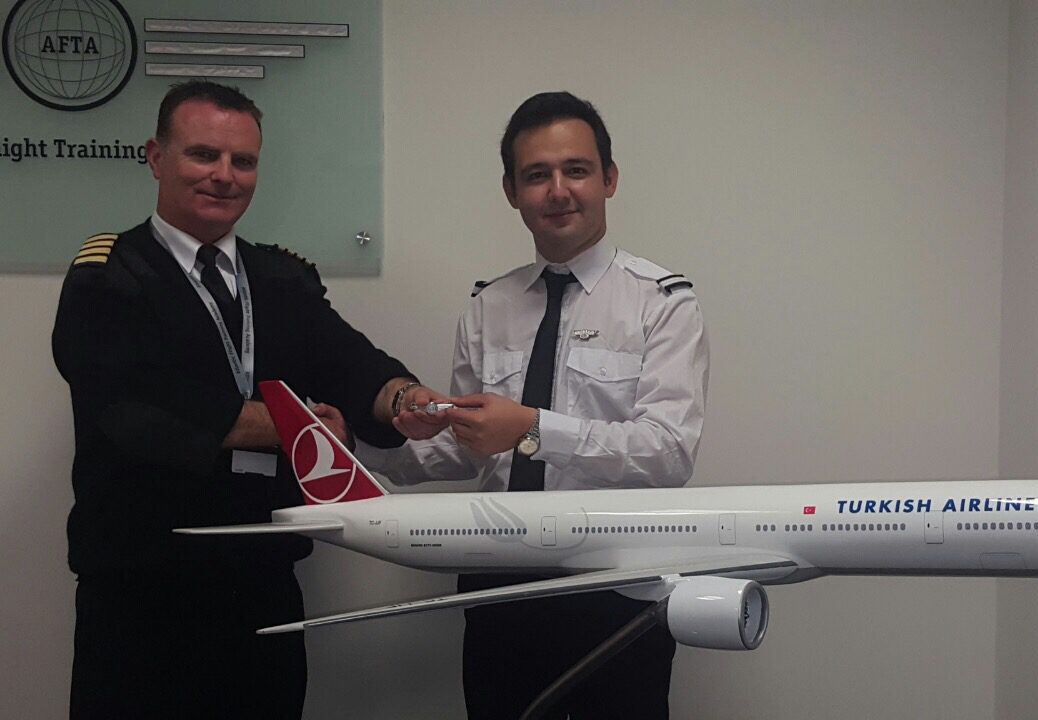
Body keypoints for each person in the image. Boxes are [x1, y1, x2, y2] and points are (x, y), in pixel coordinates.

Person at [52, 80, 424, 719]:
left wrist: (407, 399)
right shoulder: (108, 275)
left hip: (263, 589)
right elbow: (136, 406)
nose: (224, 176)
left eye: (243, 161)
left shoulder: (281, 277)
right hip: (140, 595)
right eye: (204, 155)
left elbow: (351, 364)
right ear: (156, 158)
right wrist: (291, 427)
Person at [353, 91, 709, 719]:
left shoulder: (662, 302)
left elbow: (668, 452)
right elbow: (463, 451)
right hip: (499, 585)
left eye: (577, 170)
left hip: (617, 588)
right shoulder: (487, 306)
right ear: (511, 191)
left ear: (610, 179)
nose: (558, 191)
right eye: (537, 175)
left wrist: (532, 429)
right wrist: (357, 447)